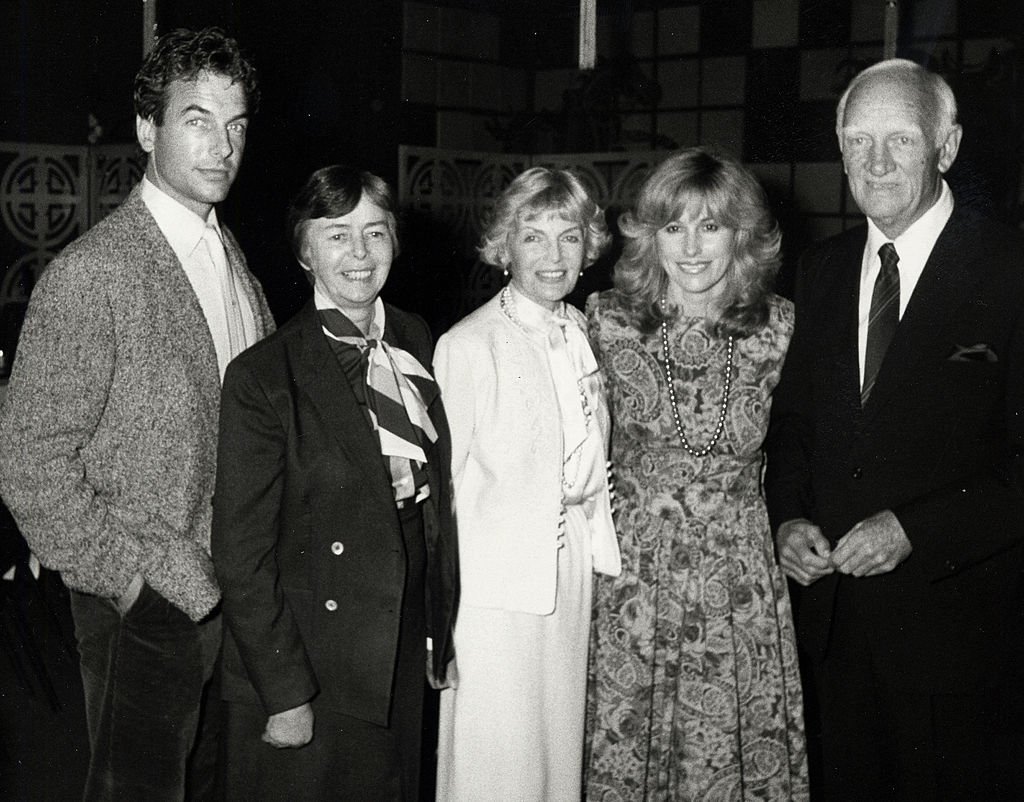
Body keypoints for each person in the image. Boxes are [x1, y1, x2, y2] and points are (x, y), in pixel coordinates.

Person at [0, 27, 273, 801]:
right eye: (198, 120)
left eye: (237, 125)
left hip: (230, 602)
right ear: (148, 129)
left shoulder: (232, 260)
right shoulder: (94, 273)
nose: (223, 145)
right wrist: (131, 585)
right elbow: (26, 460)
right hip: (145, 608)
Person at [766, 58, 1024, 799]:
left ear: (946, 147)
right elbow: (795, 426)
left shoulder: (1010, 271)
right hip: (833, 635)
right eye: (857, 139)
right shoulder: (819, 270)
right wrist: (787, 517)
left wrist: (917, 529)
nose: (875, 162)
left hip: (964, 645)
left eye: (901, 140)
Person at [212, 165, 458, 801]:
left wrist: (439, 628)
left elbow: (435, 510)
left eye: (375, 233)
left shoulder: (414, 337)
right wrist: (286, 693)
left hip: (396, 647)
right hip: (313, 662)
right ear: (303, 251)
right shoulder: (263, 377)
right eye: (337, 235)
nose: (359, 254)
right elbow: (241, 556)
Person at [585, 147, 808, 800]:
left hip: (736, 578)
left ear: (743, 233)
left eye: (710, 225)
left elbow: (807, 445)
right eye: (673, 226)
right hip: (632, 575)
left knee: (725, 758)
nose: (690, 247)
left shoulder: (781, 327)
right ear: (648, 234)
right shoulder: (605, 320)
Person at [433, 167, 620, 801]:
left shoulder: (584, 332)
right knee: (499, 761)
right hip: (494, 595)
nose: (553, 256)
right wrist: (441, 620)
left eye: (569, 237)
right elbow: (443, 498)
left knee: (554, 757)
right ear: (504, 246)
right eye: (533, 237)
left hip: (568, 574)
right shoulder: (468, 343)